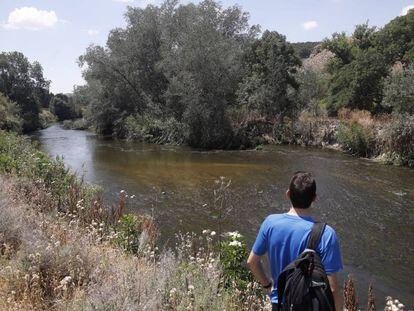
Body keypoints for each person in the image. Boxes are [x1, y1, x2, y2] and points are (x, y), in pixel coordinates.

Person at [247, 171, 343, 311]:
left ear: (288, 194)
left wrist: (267, 285)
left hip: (279, 303)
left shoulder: (270, 223)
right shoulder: (326, 233)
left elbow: (252, 262)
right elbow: (333, 288)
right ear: (314, 198)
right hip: (309, 305)